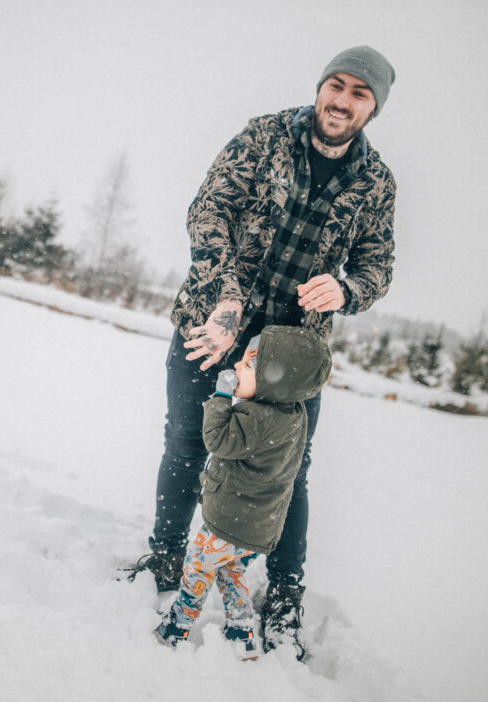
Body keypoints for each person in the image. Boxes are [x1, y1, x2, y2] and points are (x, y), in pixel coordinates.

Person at [127, 46, 397, 658]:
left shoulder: (376, 182)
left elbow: (377, 265)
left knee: (289, 472)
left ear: (373, 107)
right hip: (214, 323)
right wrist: (226, 295)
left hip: (291, 355)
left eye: (359, 92)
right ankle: (166, 557)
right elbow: (209, 212)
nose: (342, 99)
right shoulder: (265, 136)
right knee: (187, 443)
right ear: (321, 86)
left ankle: (284, 595)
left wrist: (348, 289)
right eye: (336, 84)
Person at [153, 327, 331, 661]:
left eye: (247, 366)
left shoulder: (256, 418)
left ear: (273, 382)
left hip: (226, 524)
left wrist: (221, 398)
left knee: (197, 569)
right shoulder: (292, 414)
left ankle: (177, 624)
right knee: (230, 571)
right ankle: (240, 628)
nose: (236, 367)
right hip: (255, 529)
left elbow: (217, 439)